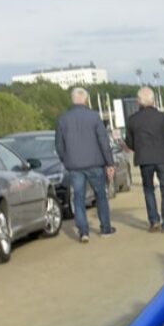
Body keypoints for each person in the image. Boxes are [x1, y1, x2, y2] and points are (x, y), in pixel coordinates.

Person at [54, 87, 115, 243]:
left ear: (72, 100)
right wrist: (109, 162)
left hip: (74, 166)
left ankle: (83, 232)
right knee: (100, 195)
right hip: (95, 164)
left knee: (78, 198)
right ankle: (105, 228)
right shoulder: (94, 117)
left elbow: (59, 145)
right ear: (85, 100)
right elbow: (103, 141)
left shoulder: (62, 119)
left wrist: (66, 160)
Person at [127, 87, 164, 232]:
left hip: (144, 159)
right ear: (153, 100)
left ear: (138, 101)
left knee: (148, 190)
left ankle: (154, 220)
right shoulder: (163, 117)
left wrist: (140, 148)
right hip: (163, 156)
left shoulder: (132, 120)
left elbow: (129, 143)